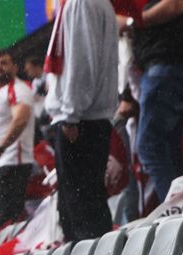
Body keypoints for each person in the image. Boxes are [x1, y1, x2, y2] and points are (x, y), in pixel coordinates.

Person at [44, 0, 120, 241]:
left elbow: (81, 62)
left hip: (81, 120)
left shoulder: (80, 2)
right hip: (86, 117)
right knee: (79, 207)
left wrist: (70, 116)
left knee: (82, 211)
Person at [129, 0, 183, 203]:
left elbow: (175, 5)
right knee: (168, 148)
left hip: (165, 64)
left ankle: (176, 215)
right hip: (163, 65)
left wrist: (133, 21)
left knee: (150, 146)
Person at [0, 50, 36, 227]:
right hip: (2, 162)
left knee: (10, 221)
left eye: (4, 63)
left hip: (14, 162)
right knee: (3, 219)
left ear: (14, 67)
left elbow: (20, 120)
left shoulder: (18, 89)